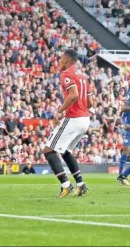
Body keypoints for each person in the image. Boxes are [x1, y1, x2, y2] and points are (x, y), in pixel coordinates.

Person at [42, 49, 92, 198]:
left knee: (48, 150)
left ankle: (65, 184)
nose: (59, 62)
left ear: (67, 60)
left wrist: (59, 111)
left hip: (74, 118)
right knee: (65, 151)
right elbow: (90, 102)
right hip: (85, 119)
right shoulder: (83, 77)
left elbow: (74, 95)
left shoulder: (67, 74)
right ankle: (81, 184)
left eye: (61, 59)